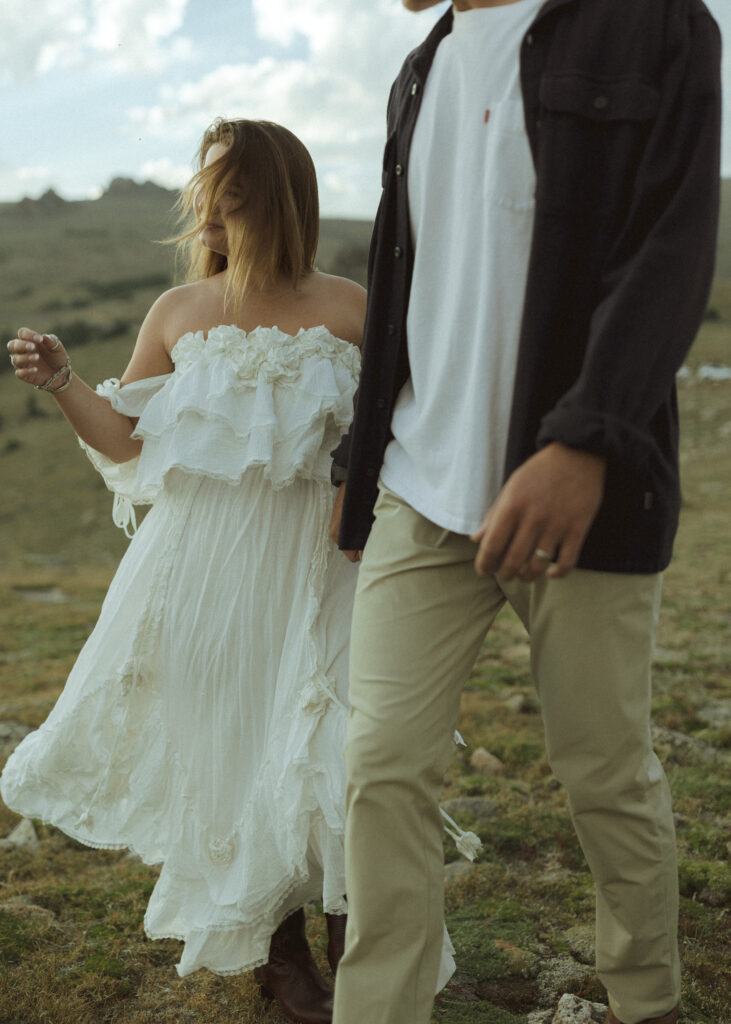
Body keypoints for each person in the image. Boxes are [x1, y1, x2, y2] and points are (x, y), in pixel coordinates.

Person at [329, 2, 722, 1023]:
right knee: (378, 766)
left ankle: (647, 1002)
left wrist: (585, 439)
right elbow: (401, 286)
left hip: (576, 493)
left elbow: (669, 253)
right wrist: (357, 459)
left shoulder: (654, 25)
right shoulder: (418, 69)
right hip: (420, 489)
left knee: (602, 768)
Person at [1, 118, 369, 1024]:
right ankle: (279, 958)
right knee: (241, 753)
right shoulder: (177, 314)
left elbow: (395, 433)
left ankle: (361, 949)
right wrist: (62, 382)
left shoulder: (356, 308)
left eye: (226, 189)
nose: (204, 205)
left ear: (271, 198)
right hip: (205, 572)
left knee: (337, 756)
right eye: (205, 187)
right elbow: (128, 441)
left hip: (326, 562)